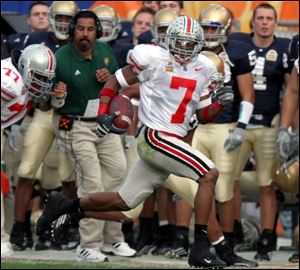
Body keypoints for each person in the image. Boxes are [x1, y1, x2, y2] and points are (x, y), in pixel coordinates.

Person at [37, 15, 232, 268]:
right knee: (209, 174)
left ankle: (65, 206)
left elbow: (204, 115)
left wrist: (218, 103)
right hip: (156, 136)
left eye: (189, 43)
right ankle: (200, 248)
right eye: (179, 42)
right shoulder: (153, 58)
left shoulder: (204, 67)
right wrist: (104, 111)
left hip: (169, 141)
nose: (184, 48)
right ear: (168, 41)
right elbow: (114, 81)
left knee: (124, 204)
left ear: (198, 44)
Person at [50, 10, 136, 262]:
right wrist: (58, 94)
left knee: (119, 175)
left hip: (103, 122)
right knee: (92, 183)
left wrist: (109, 81)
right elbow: (50, 104)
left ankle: (113, 239)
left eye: (90, 29)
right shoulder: (61, 58)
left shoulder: (105, 52)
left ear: (97, 31)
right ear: (72, 31)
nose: (85, 34)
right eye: (80, 29)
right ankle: (88, 244)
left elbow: (118, 87)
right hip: (75, 124)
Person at [229, 3, 291, 261]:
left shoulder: (283, 48)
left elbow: (291, 90)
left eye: (269, 18)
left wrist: (286, 127)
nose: (265, 23)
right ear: (252, 22)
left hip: (267, 123)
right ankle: (230, 233)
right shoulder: (239, 45)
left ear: (275, 23)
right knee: (228, 181)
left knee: (267, 184)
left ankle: (267, 236)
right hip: (238, 124)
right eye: (260, 18)